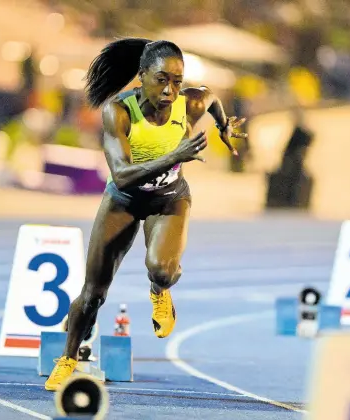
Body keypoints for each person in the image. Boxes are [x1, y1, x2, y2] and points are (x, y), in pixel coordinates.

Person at [45, 37, 247, 391]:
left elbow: (212, 98)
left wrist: (224, 126)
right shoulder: (118, 112)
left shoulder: (191, 103)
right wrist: (173, 157)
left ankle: (160, 291)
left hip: (168, 200)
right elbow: (121, 174)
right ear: (141, 77)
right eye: (161, 80)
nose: (170, 90)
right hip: (123, 199)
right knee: (92, 293)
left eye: (177, 81)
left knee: (163, 271)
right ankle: (67, 359)